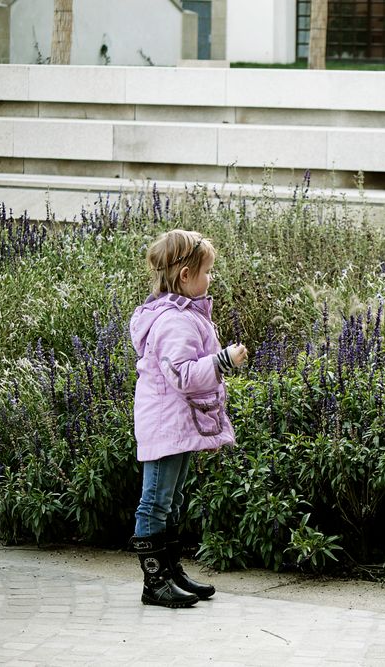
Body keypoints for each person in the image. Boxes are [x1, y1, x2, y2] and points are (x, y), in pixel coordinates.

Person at [128, 229, 248, 608]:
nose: (210, 279)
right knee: (156, 501)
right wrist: (222, 361)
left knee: (173, 499)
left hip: (178, 426)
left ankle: (171, 571)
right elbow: (181, 374)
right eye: (207, 271)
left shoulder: (185, 314)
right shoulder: (172, 322)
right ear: (185, 276)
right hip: (166, 426)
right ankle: (155, 583)